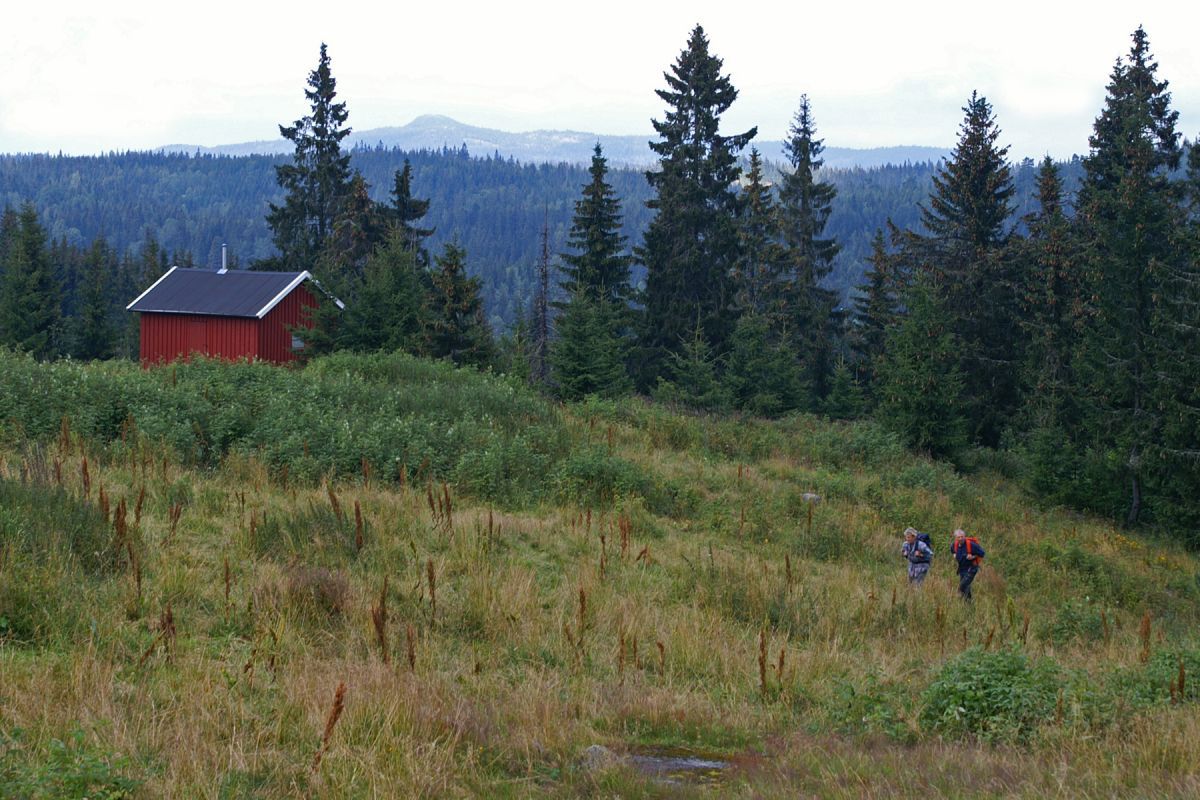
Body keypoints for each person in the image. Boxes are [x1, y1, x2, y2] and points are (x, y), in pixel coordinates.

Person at [950, 528, 986, 600]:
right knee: (966, 587)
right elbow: (952, 550)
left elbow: (982, 553)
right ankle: (968, 604)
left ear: (964, 536)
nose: (960, 538)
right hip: (962, 569)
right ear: (956, 538)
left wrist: (973, 556)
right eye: (958, 537)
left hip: (972, 568)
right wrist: (954, 554)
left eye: (962, 536)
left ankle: (964, 600)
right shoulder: (955, 544)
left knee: (962, 586)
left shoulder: (971, 545)